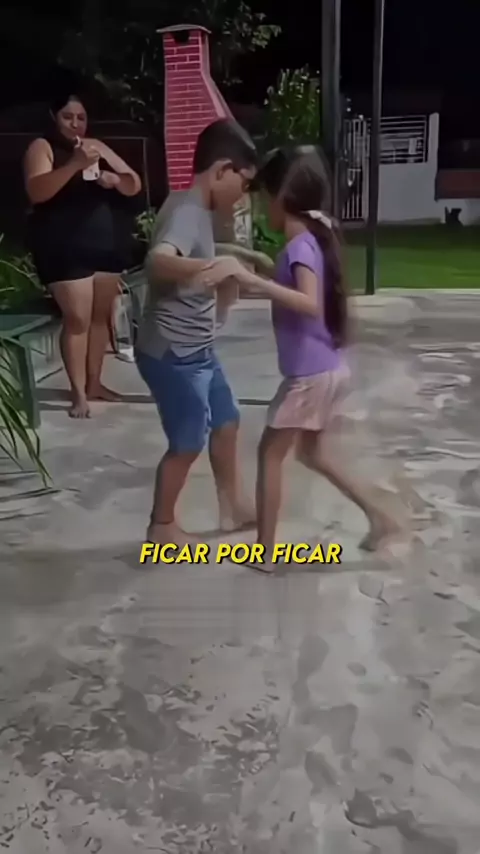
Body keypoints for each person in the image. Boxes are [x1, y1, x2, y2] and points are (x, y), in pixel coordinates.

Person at [223, 145, 406, 571]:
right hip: (327, 368)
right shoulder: (311, 239)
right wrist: (255, 265)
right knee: (312, 453)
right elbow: (296, 286)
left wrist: (252, 280)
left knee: (270, 454)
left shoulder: (299, 247)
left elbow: (308, 302)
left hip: (308, 376)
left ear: (282, 197)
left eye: (264, 198)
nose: (261, 208)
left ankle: (265, 553)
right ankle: (380, 517)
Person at [135, 118, 259, 544]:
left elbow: (198, 250)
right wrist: (215, 267)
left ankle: (232, 506)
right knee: (188, 440)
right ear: (222, 170)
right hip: (172, 353)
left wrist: (234, 254)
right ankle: (162, 526)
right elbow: (158, 261)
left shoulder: (193, 206)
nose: (243, 195)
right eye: (244, 183)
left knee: (226, 420)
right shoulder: (188, 212)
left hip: (197, 348)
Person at [24, 93, 142, 418]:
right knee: (77, 319)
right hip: (62, 244)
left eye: (81, 117)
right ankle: (78, 393)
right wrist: (74, 165)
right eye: (68, 117)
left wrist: (115, 180)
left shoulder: (95, 146)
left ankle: (94, 383)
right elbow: (37, 191)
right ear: (54, 117)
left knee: (100, 316)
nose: (75, 123)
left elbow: (133, 184)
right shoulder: (43, 148)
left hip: (102, 241)